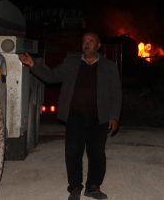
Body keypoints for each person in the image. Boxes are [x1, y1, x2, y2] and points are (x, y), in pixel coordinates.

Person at [19, 32, 122, 200]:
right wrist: (32, 64)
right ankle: (75, 188)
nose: (86, 44)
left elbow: (116, 94)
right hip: (75, 116)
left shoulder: (109, 66)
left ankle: (93, 187)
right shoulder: (70, 63)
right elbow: (51, 77)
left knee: (97, 154)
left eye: (91, 41)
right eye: (84, 41)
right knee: (73, 153)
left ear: (98, 46)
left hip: (99, 117)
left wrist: (114, 116)